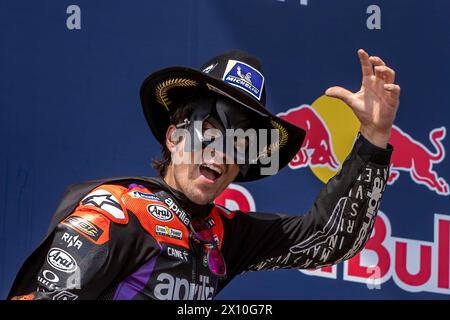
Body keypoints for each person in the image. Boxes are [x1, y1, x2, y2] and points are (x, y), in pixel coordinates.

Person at [8, 49, 400, 300]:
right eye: (209, 135)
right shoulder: (118, 212)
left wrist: (374, 138)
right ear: (175, 138)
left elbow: (332, 239)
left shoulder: (222, 235)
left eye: (240, 144)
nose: (222, 153)